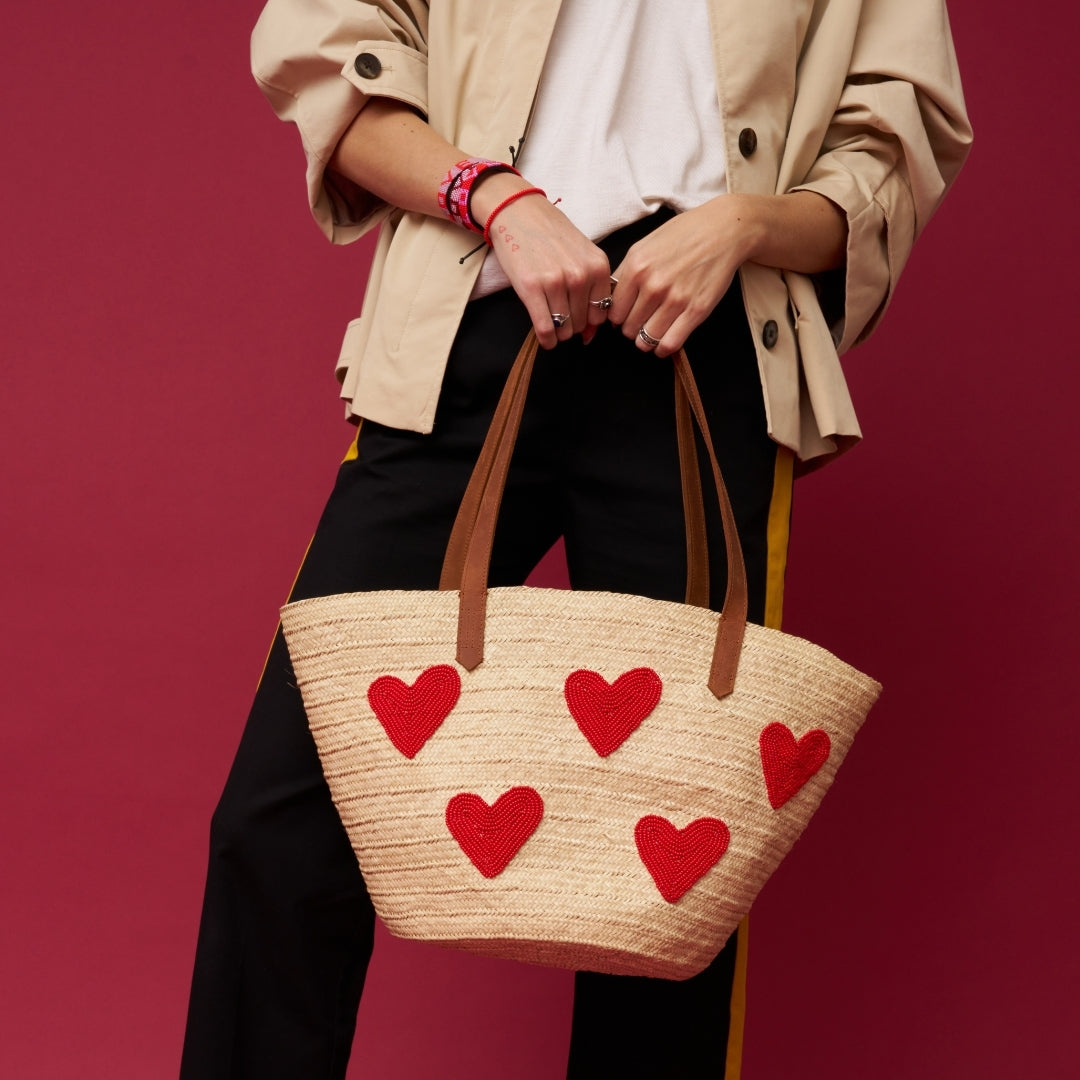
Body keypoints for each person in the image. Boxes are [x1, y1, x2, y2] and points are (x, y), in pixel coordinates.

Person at [180, 2, 971, 1076]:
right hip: (469, 325)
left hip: (706, 346)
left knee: (676, 866)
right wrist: (493, 195)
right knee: (286, 812)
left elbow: (893, 145)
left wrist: (741, 224)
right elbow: (330, 63)